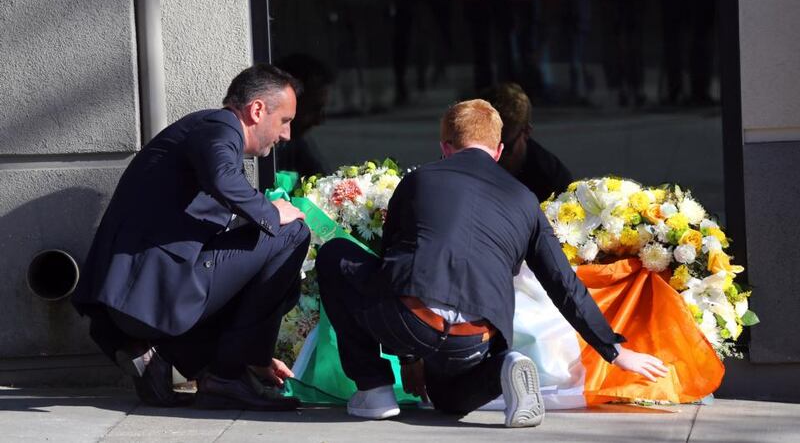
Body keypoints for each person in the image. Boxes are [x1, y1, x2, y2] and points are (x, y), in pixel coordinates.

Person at [315, 99, 667, 427]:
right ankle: (503, 366)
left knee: (335, 256)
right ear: (498, 151)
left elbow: (392, 266)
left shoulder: (419, 180)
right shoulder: (525, 200)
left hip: (411, 321)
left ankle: (374, 390)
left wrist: (408, 356)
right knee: (448, 400)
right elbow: (563, 282)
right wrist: (613, 349)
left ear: (444, 147)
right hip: (474, 339)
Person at [72, 64, 310, 411]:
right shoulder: (220, 127)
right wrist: (272, 212)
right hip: (151, 295)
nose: (286, 135)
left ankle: (170, 357)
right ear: (257, 110)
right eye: (285, 120)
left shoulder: (204, 131)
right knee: (291, 234)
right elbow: (221, 177)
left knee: (267, 256)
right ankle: (225, 376)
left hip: (140, 296)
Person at [480, 83, 573, 201]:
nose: (494, 158)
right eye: (485, 146)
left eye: (505, 149)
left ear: (526, 132)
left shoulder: (552, 180)